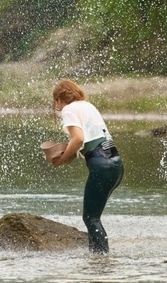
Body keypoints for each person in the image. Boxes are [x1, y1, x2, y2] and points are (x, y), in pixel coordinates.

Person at [50, 79, 124, 254]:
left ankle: (101, 260)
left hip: (102, 166)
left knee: (90, 218)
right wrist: (70, 154)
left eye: (56, 102)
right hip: (116, 165)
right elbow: (90, 141)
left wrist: (60, 160)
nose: (57, 106)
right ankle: (95, 258)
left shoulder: (68, 110)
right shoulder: (87, 106)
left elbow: (78, 139)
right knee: (94, 217)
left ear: (59, 99)